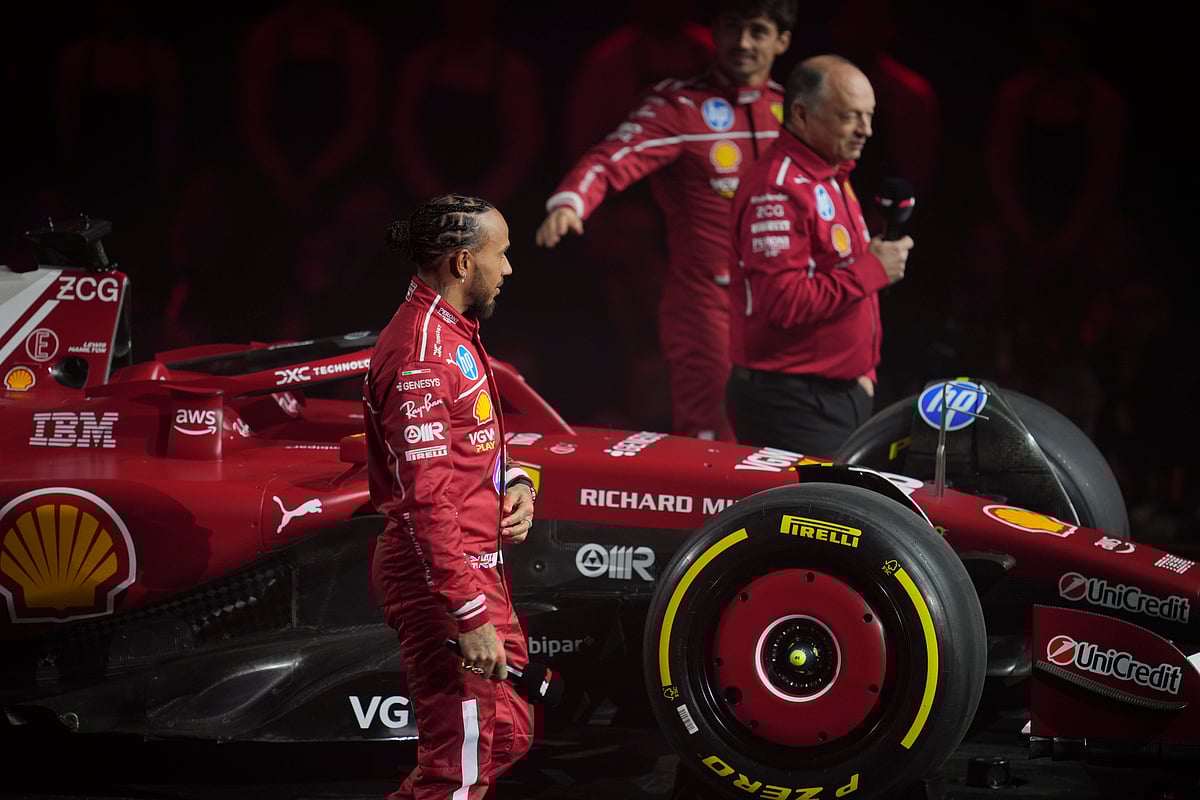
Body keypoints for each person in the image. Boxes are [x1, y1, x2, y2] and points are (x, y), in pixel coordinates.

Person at [536, 0, 799, 442]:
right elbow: (614, 154)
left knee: (781, 437)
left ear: (782, 40)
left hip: (784, 303)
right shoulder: (680, 106)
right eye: (732, 27)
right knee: (710, 438)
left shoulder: (795, 113)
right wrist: (572, 201)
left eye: (757, 30)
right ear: (713, 31)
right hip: (705, 304)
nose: (743, 42)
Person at [365, 194, 536, 799]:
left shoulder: (453, 333)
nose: (509, 269)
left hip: (474, 569)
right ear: (463, 264)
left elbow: (471, 441)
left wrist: (513, 482)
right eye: (502, 255)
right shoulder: (420, 352)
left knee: (508, 733)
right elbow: (425, 501)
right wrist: (466, 614)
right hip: (443, 581)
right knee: (456, 773)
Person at [726, 55, 913, 456]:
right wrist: (871, 270)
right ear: (800, 113)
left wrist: (861, 376)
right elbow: (782, 302)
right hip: (792, 404)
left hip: (836, 395)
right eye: (850, 117)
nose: (866, 130)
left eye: (869, 116)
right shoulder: (775, 190)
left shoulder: (831, 175)